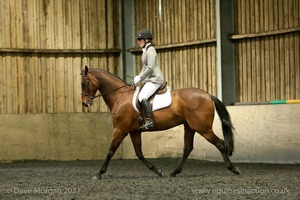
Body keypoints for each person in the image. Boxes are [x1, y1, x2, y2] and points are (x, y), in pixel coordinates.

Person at [133, 29, 164, 130]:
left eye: (139, 40)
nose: (138, 42)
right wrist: (138, 77)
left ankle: (150, 121)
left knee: (142, 96)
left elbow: (150, 68)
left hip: (155, 79)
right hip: (149, 79)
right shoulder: (146, 51)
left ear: (146, 40)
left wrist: (140, 77)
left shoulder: (151, 51)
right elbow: (145, 67)